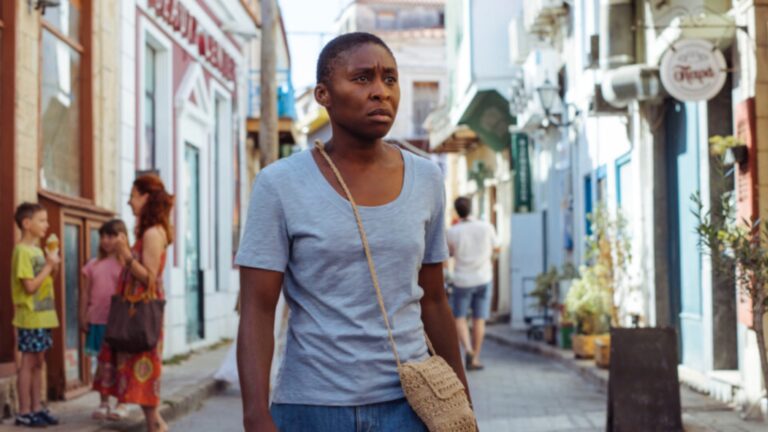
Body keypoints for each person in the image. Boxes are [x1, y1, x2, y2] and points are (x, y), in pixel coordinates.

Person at [236, 32, 469, 432]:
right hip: (311, 407)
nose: (381, 92)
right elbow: (258, 308)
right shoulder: (280, 184)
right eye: (362, 79)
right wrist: (256, 414)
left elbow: (433, 300)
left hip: (410, 405)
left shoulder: (427, 178)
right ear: (323, 94)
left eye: (389, 79)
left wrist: (462, 405)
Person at [93, 175, 174, 432]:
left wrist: (126, 256)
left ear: (146, 198)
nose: (129, 201)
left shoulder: (152, 234)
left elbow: (150, 278)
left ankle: (157, 427)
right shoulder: (151, 231)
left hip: (140, 315)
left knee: (146, 388)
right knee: (144, 393)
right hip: (134, 313)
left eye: (133, 195)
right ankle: (155, 426)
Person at [11, 203, 61, 428]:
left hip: (44, 315)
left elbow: (48, 279)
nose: (47, 225)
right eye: (42, 220)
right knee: (29, 363)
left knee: (39, 362)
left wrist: (53, 263)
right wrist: (49, 266)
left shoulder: (39, 251)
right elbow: (29, 286)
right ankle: (24, 411)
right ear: (27, 224)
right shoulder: (21, 251)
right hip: (30, 316)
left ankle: (36, 407)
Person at [80, 219, 129, 421]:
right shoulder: (92, 265)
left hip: (118, 322)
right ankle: (103, 401)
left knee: (120, 362)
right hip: (98, 320)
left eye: (111, 236)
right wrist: (83, 315)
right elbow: (84, 293)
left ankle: (122, 402)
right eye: (103, 236)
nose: (107, 241)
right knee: (102, 363)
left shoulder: (126, 264)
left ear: (122, 237)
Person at [446, 197, 500, 371]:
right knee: (479, 318)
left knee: (459, 317)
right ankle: (475, 357)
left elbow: (448, 254)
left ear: (457, 211)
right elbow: (497, 247)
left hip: (462, 279)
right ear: (472, 208)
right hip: (484, 277)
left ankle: (467, 349)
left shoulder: (453, 231)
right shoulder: (487, 227)